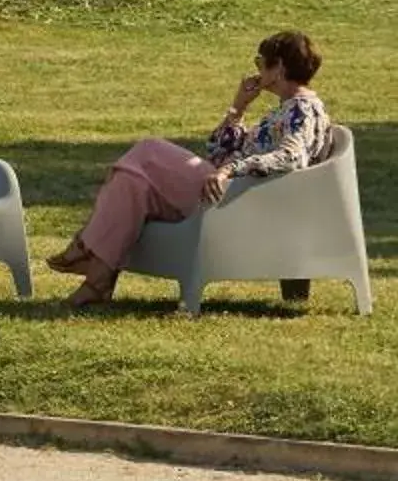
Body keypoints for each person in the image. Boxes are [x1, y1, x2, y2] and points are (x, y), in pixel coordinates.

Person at [51, 31, 332, 307]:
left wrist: (230, 170)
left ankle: (85, 246)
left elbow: (291, 157)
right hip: (226, 189)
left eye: (261, 63)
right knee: (132, 184)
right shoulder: (285, 109)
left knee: (148, 151)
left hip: (236, 197)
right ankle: (97, 283)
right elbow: (218, 149)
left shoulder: (302, 110)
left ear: (279, 67)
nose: (257, 69)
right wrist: (239, 107)